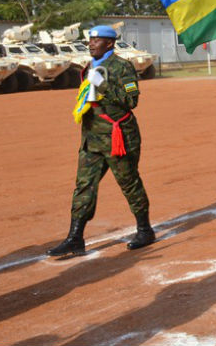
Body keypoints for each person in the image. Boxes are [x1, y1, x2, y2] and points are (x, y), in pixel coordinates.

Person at [47, 25, 154, 257]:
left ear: (109, 43)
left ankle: (145, 230)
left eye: (96, 41)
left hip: (118, 137)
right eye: (90, 40)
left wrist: (102, 84)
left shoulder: (122, 66)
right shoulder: (88, 67)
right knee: (83, 186)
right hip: (92, 137)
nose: (91, 44)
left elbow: (130, 100)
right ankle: (75, 237)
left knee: (129, 183)